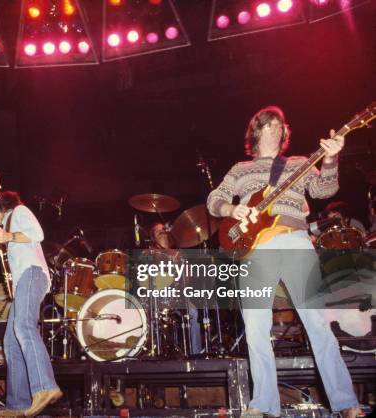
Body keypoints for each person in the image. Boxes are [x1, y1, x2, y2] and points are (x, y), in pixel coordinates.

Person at [206, 106, 360, 418]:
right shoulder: (241, 169)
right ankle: (264, 405)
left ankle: (346, 403)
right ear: (256, 131)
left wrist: (330, 159)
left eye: (280, 125)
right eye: (269, 124)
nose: (276, 128)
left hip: (294, 240)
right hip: (254, 249)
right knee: (255, 328)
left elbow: (325, 188)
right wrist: (230, 211)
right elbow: (214, 199)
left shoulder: (299, 163)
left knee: (317, 323)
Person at [0, 191, 61, 417]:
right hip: (24, 280)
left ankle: (45, 386)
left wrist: (9, 236)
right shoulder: (8, 231)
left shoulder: (19, 212)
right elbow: (0, 253)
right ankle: (18, 405)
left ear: (2, 208)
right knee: (10, 341)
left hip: (32, 275)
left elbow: (37, 234)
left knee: (23, 326)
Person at [148, 223, 203, 355]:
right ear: (153, 237)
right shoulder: (148, 253)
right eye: (158, 231)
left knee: (193, 312)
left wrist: (184, 272)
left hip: (177, 297)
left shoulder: (177, 253)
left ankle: (196, 354)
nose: (163, 232)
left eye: (164, 230)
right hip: (156, 297)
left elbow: (187, 279)